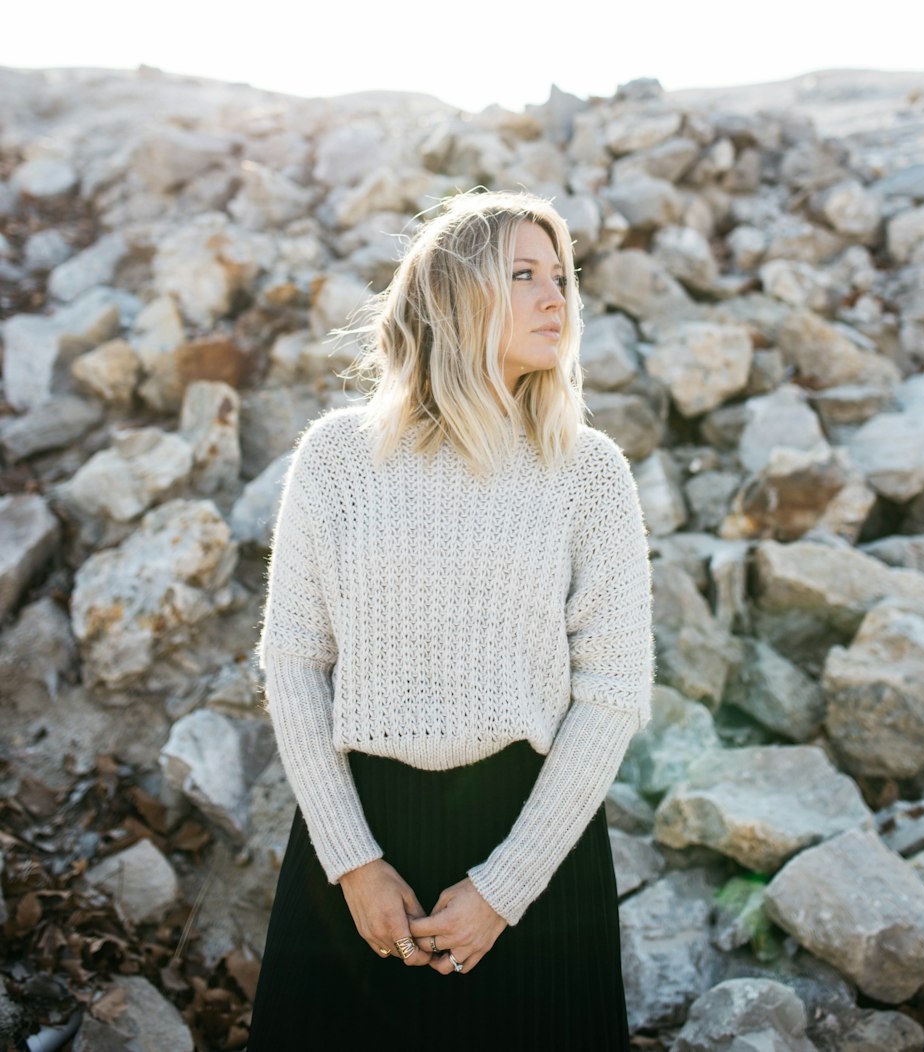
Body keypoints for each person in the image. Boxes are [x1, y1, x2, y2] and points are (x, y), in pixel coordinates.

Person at [246, 189, 654, 1051]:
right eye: (524, 275)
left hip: (535, 846)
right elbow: (293, 662)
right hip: (359, 837)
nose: (558, 298)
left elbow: (614, 690)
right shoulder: (339, 457)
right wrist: (352, 861)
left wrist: (506, 886)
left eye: (563, 276)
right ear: (454, 296)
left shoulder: (588, 472)